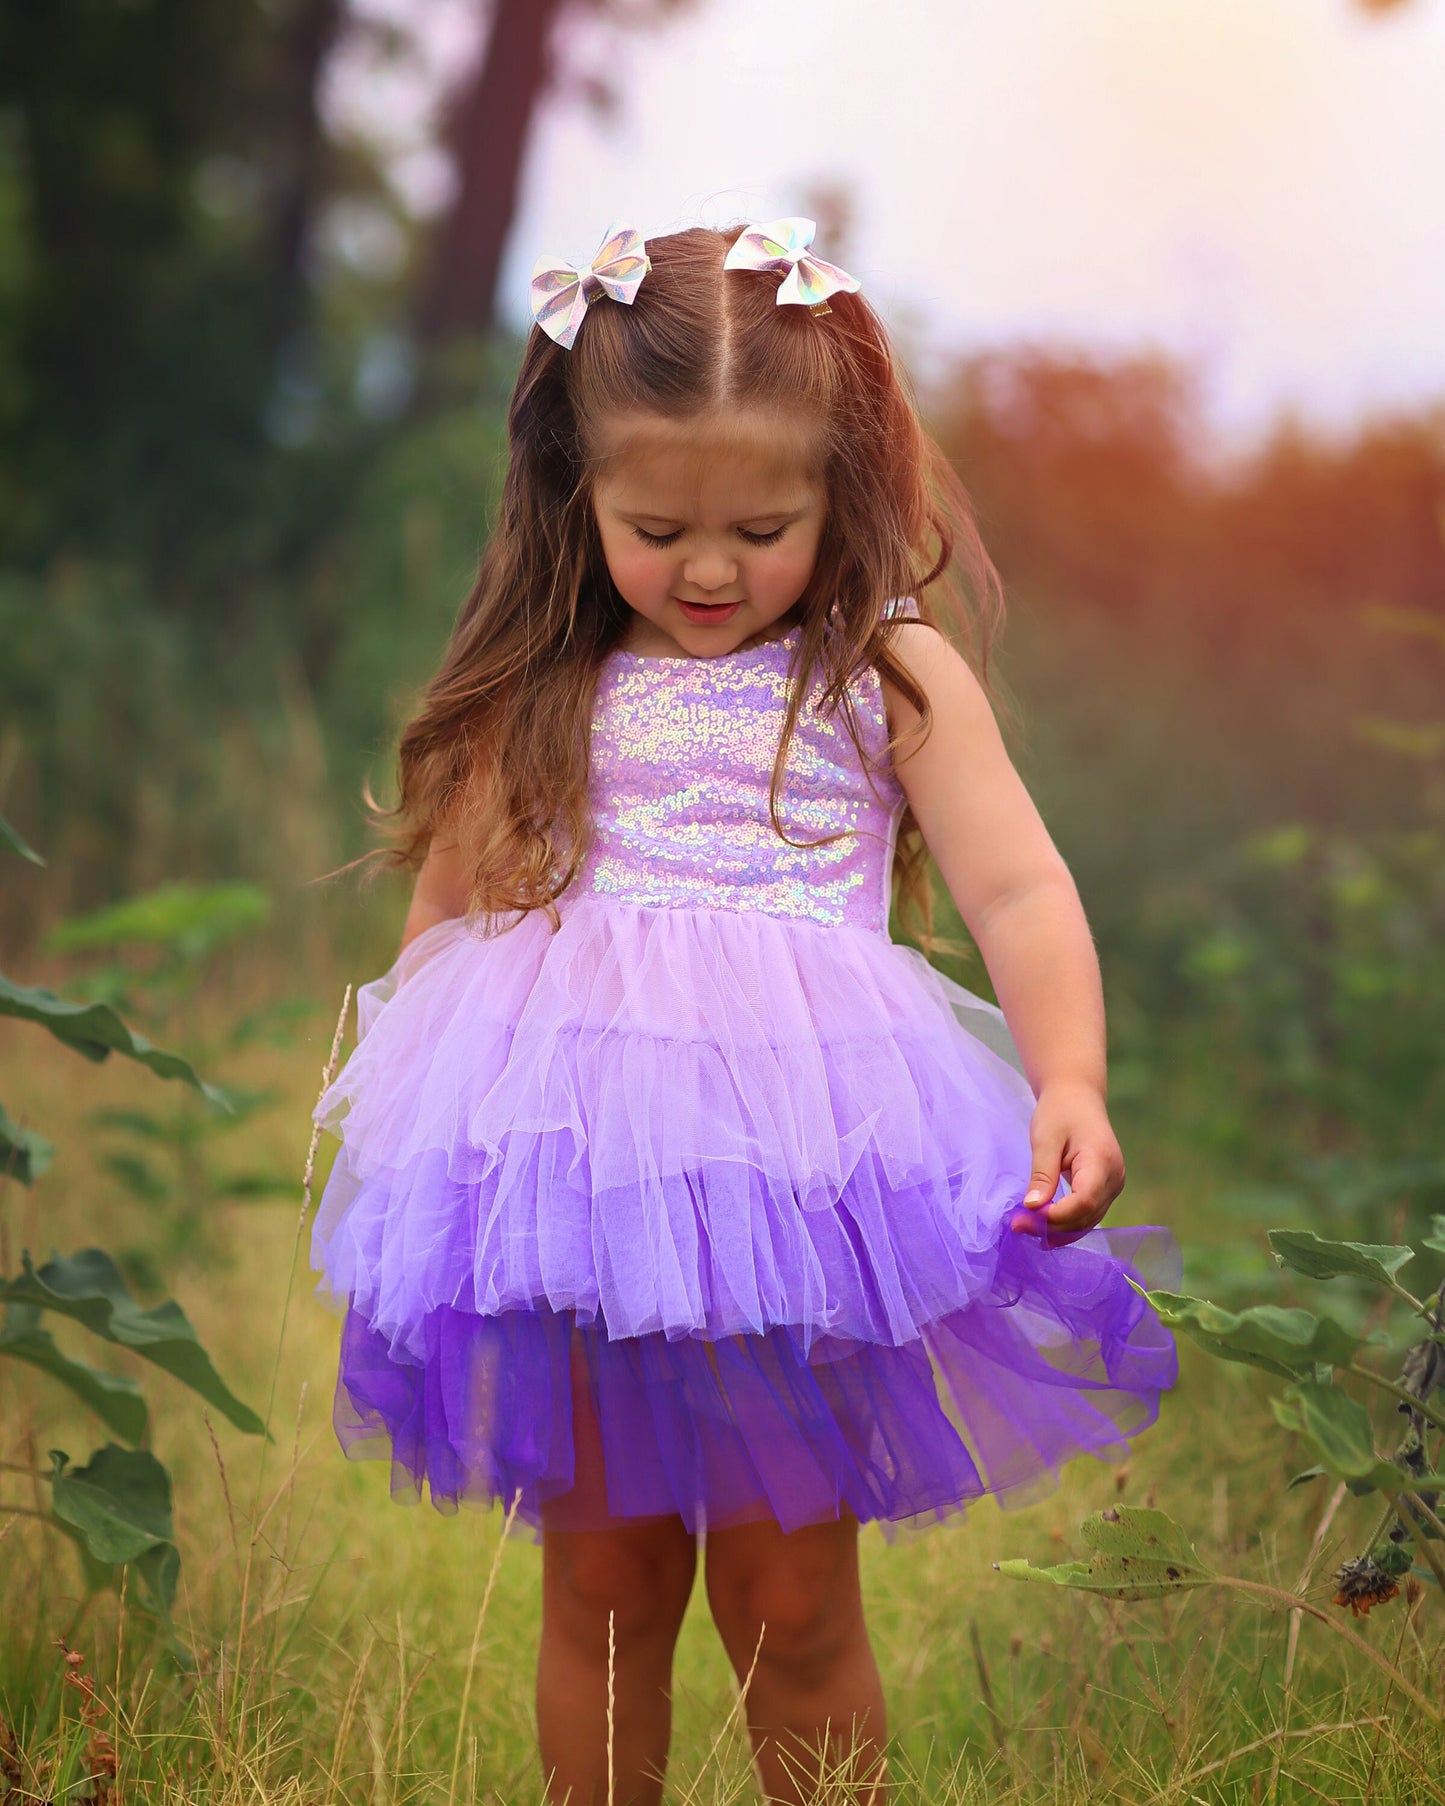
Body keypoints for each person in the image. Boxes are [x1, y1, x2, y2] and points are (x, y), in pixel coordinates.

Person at [308, 217, 1181, 1806]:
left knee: (789, 1596)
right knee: (606, 1589)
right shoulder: (546, 679)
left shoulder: (881, 673)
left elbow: (1019, 889)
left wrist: (1068, 1073)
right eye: (658, 527)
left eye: (760, 527)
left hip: (805, 1176)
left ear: (842, 487)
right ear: (578, 493)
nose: (708, 570)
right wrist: (411, 1110)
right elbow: (447, 914)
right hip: (585, 1183)